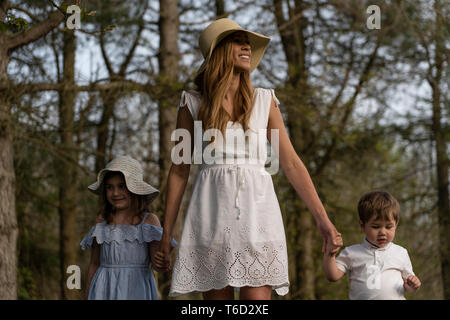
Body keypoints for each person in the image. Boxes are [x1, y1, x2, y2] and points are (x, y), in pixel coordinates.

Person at [155, 18, 342, 300]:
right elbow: (179, 170)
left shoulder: (265, 102)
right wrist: (166, 233)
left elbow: (290, 163)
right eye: (238, 41)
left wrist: (323, 220)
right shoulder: (191, 104)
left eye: (248, 43)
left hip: (259, 217)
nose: (246, 47)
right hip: (211, 218)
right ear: (218, 50)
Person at [80, 155, 176, 300]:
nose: (115, 193)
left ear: (135, 188)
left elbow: (158, 265)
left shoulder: (149, 221)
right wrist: (87, 295)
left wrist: (163, 260)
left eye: (121, 186)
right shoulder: (102, 221)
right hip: (103, 289)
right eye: (109, 187)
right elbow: (94, 263)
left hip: (136, 289)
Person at [323, 191, 421, 299]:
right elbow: (333, 276)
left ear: (396, 224)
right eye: (375, 227)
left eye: (388, 227)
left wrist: (413, 285)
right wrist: (330, 254)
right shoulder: (351, 253)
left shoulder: (401, 252)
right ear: (362, 226)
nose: (383, 232)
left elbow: (408, 288)